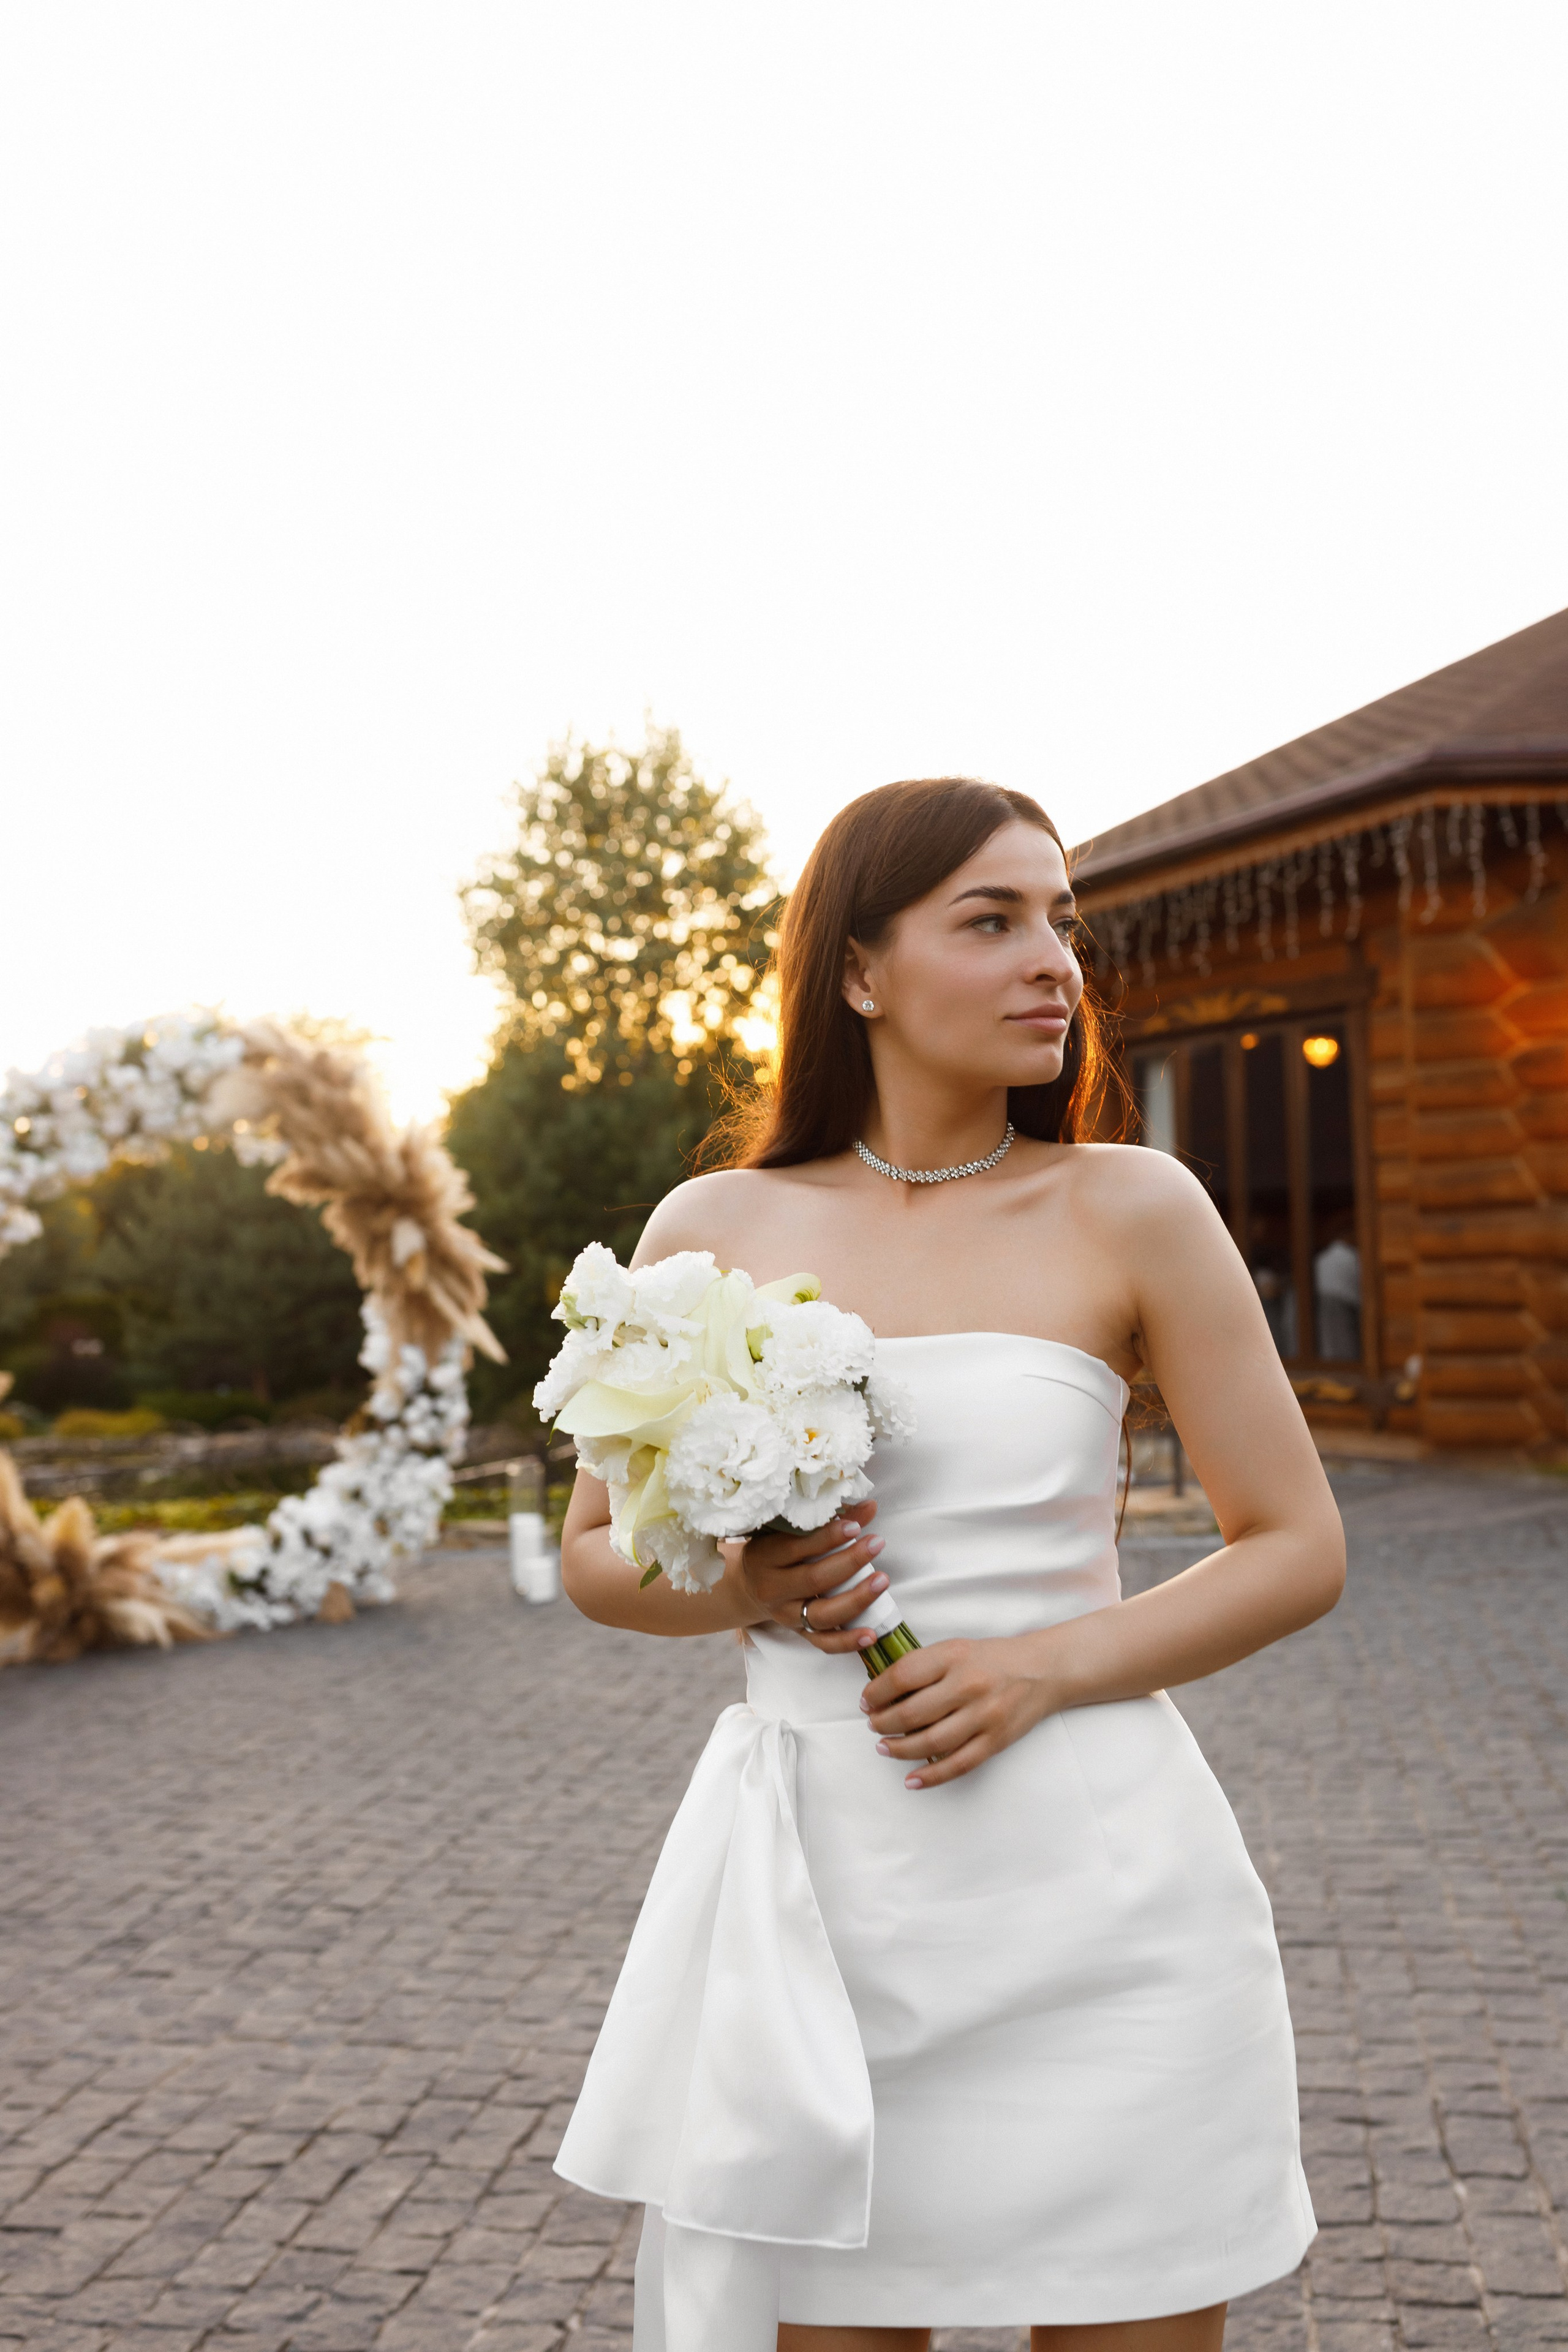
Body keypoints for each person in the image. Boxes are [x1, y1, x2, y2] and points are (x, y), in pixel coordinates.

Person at [555, 778, 1346, 2352]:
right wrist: (741, 1590)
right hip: (823, 1917)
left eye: (1059, 920)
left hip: (1105, 1899)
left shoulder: (1133, 1206)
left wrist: (1037, 1665)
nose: (1052, 959)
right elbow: (591, 1554)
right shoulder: (713, 1222)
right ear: (857, 970)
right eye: (990, 921)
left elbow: (1298, 1547)